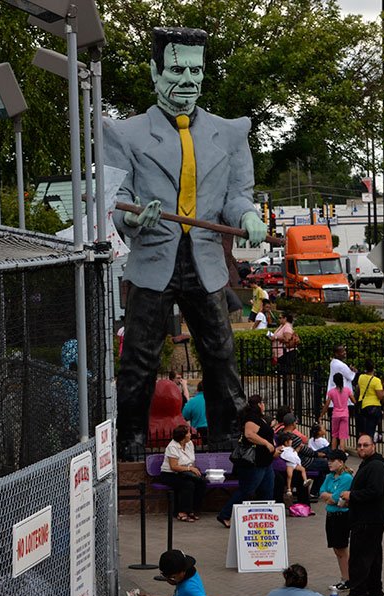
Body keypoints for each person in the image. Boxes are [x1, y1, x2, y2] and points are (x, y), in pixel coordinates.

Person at [105, 26, 266, 459]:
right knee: (139, 359)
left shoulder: (230, 134)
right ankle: (131, 444)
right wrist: (134, 215)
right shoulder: (123, 133)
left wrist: (248, 216)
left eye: (196, 70)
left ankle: (228, 438)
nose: (188, 79)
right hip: (153, 260)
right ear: (154, 73)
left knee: (220, 353)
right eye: (177, 69)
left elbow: (237, 196)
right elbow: (115, 201)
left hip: (206, 261)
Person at [339, 434, 384, 596]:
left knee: (360, 557)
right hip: (370, 517)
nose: (361, 448)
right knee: (373, 555)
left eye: (365, 445)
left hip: (369, 519)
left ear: (373, 446)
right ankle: (374, 591)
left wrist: (351, 495)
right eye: (359, 445)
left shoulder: (375, 466)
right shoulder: (369, 464)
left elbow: (374, 491)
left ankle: (359, 592)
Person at [216, 394, 278, 528]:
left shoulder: (261, 419)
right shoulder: (251, 419)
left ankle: (265, 516)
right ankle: (225, 514)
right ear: (260, 405)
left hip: (266, 462)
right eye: (263, 403)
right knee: (247, 489)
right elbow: (249, 434)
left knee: (267, 490)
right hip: (255, 462)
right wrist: (266, 443)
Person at [318, 449, 354, 591]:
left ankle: (348, 579)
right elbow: (321, 492)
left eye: (332, 461)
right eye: (328, 461)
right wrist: (329, 497)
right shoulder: (330, 476)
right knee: (336, 549)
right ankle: (344, 578)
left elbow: (334, 499)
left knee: (342, 548)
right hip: (331, 515)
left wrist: (329, 497)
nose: (329, 463)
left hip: (341, 516)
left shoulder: (346, 478)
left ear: (341, 462)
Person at [161, 425, 206, 522]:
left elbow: (191, 460)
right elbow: (174, 466)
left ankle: (192, 510)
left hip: (186, 473)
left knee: (201, 482)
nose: (190, 434)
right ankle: (182, 512)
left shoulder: (190, 444)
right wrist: (190, 468)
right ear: (183, 436)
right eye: (188, 433)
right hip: (170, 474)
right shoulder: (172, 447)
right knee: (187, 484)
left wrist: (192, 470)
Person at [276, 415, 314, 501]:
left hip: (296, 462)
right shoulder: (290, 440)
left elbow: (294, 453)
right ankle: (289, 489)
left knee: (302, 470)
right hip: (291, 464)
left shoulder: (280, 433)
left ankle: (305, 481)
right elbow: (308, 452)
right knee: (290, 475)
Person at [355, 360, 384, 440]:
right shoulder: (376, 381)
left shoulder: (361, 377)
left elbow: (359, 388)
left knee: (364, 429)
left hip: (363, 406)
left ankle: (362, 445)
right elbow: (380, 396)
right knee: (371, 430)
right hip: (373, 407)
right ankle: (369, 447)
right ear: (373, 368)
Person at [321, 372, 354, 451]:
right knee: (342, 436)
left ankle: (333, 453)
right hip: (345, 414)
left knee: (335, 435)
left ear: (334, 381)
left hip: (335, 415)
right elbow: (354, 400)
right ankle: (342, 454)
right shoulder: (347, 390)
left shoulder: (331, 392)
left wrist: (322, 414)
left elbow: (327, 405)